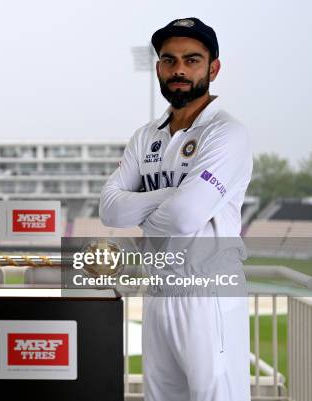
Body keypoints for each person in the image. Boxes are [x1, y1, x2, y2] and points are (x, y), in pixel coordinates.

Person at [100, 18, 252, 401]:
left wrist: (142, 206)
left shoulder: (226, 133)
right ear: (158, 69)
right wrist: (174, 192)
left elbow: (185, 218)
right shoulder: (145, 136)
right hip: (159, 288)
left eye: (192, 60)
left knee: (215, 395)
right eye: (169, 61)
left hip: (208, 290)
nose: (179, 69)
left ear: (212, 68)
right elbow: (110, 211)